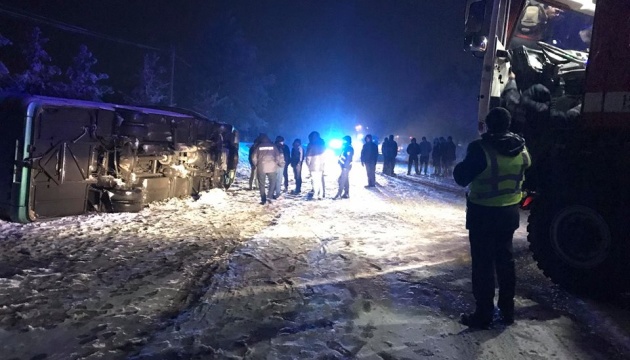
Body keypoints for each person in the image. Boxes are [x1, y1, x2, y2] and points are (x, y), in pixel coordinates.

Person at [453, 107, 531, 329]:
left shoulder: (480, 148)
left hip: (484, 214)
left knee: (483, 265)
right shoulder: (521, 147)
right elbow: (527, 168)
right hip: (509, 213)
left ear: (487, 125)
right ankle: (507, 311)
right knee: (505, 262)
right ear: (508, 124)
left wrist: (460, 164)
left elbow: (461, 177)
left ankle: (483, 315)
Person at [251, 133, 282, 205]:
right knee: (272, 182)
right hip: (272, 167)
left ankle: (263, 198)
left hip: (261, 167)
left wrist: (255, 164)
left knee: (261, 183)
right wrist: (275, 163)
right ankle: (269, 197)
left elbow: (254, 157)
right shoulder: (273, 146)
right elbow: (278, 156)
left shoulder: (259, 147)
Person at [305, 131, 326, 200]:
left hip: (313, 165)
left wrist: (308, 165)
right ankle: (321, 194)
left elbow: (308, 157)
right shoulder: (323, 145)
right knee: (320, 180)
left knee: (315, 180)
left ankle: (315, 194)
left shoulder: (311, 146)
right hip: (321, 166)